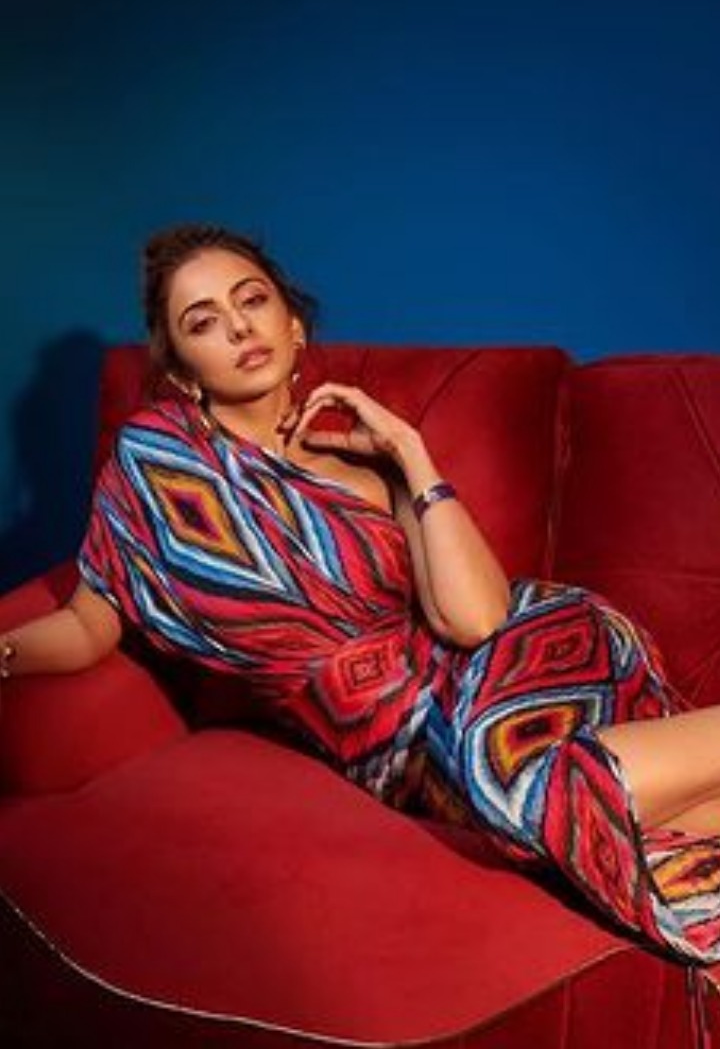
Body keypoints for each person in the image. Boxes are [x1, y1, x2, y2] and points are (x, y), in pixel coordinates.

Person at [3, 221, 720, 964]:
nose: (240, 327)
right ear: (184, 373)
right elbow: (87, 624)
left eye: (253, 300)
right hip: (397, 749)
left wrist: (411, 456)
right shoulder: (156, 465)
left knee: (516, 788)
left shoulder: (368, 469)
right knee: (550, 804)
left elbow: (479, 621)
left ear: (294, 325)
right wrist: (4, 652)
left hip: (525, 655)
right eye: (203, 322)